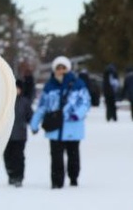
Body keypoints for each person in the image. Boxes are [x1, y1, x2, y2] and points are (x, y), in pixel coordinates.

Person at [30, 55, 91, 188]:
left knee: (73, 155)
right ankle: (57, 182)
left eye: (63, 68)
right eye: (58, 68)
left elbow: (85, 102)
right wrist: (34, 124)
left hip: (73, 126)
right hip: (55, 127)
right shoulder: (49, 86)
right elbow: (42, 106)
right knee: (56, 156)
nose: (61, 70)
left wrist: (77, 115)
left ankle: (73, 177)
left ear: (68, 69)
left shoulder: (78, 84)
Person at [4, 77, 32, 186]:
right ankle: (11, 175)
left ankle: (19, 176)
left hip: (20, 135)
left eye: (17, 88)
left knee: (18, 156)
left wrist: (33, 125)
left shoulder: (24, 102)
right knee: (8, 156)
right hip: (7, 135)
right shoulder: (5, 101)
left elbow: (30, 116)